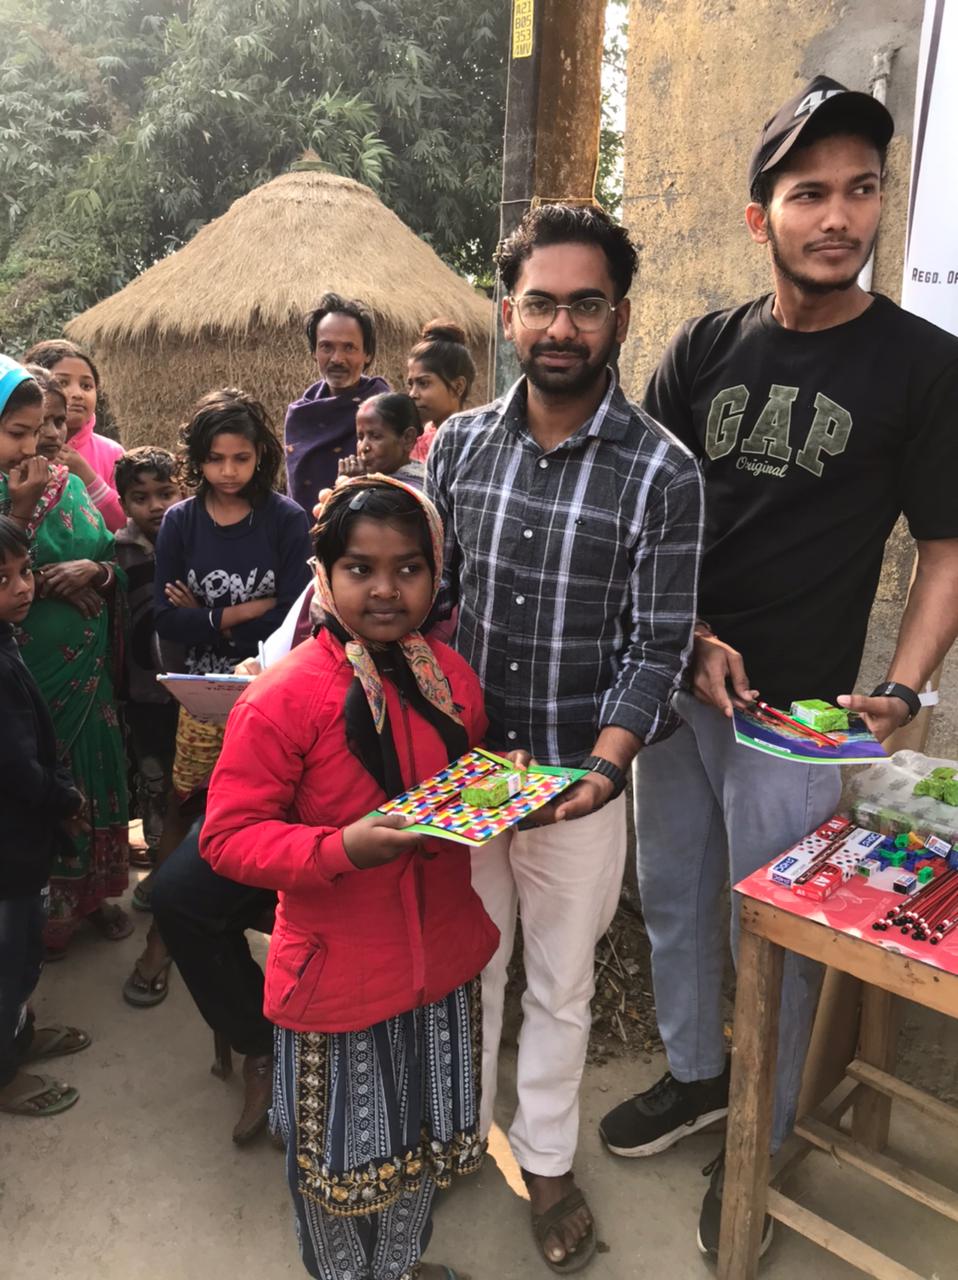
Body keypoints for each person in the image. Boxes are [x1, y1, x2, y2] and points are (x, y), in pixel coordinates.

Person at [599, 77, 958, 1259]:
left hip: (797, 716)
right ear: (763, 214)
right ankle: (697, 1074)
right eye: (809, 192)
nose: (837, 215)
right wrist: (690, 634)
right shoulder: (705, 345)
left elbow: (946, 546)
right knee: (673, 894)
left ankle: (766, 1125)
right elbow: (643, 512)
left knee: (779, 931)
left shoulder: (922, 365)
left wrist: (902, 687)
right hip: (676, 686)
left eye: (860, 189)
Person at [427, 203, 704, 1272]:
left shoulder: (662, 471)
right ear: (507, 314)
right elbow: (435, 601)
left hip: (578, 779)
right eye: (539, 303)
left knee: (561, 982)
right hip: (465, 773)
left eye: (585, 305)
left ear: (620, 317)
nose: (560, 326)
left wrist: (603, 768)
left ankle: (545, 1157)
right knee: (468, 965)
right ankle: (458, 1131)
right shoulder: (458, 445)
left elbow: (658, 642)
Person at [200, 475, 498, 1280]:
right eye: (361, 568)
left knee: (419, 1154)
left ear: (436, 575)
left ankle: (396, 1269)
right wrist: (340, 850)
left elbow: (466, 780)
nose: (386, 589)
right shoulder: (285, 697)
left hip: (442, 967)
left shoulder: (448, 678)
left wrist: (509, 790)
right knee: (336, 1176)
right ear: (325, 576)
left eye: (409, 568)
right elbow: (228, 838)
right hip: (338, 984)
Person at [147, 390, 311, 1026]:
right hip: (202, 694)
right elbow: (165, 619)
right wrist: (240, 613)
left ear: (261, 455)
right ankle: (168, 927)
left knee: (263, 812)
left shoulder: (286, 521)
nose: (228, 471)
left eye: (241, 458)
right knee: (190, 803)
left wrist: (208, 615)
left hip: (272, 693)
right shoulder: (181, 522)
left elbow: (295, 618)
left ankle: (268, 928)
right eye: (215, 459)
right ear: (198, 459)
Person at [0, 355, 131, 956]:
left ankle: (91, 897)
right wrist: (23, 516)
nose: (46, 439)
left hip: (88, 673)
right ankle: (43, 910)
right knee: (31, 780)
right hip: (25, 677)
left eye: (53, 424)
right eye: (26, 429)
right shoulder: (17, 491)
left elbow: (114, 559)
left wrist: (94, 574)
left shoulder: (71, 484)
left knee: (93, 773)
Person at [0, 514, 93, 1117]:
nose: (22, 587)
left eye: (25, 571)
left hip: (19, 838)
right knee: (10, 960)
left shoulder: (6, 639)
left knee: (20, 954)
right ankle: (4, 1076)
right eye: (2, 578)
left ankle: (20, 1034)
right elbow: (15, 764)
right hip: (8, 850)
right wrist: (65, 801)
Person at [112, 446, 183, 1005]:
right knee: (154, 781)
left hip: (189, 691)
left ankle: (176, 874)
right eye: (141, 497)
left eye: (166, 493)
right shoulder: (117, 550)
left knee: (187, 785)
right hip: (141, 692)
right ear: (123, 503)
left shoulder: (192, 540)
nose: (155, 506)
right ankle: (160, 870)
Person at [284, 293, 390, 515]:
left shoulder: (388, 413)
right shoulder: (300, 417)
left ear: (367, 354)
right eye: (326, 347)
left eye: (349, 347)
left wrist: (361, 485)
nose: (337, 359)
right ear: (314, 352)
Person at [23, 339, 126, 532]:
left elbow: (128, 523)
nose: (78, 394)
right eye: (63, 382)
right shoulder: (16, 451)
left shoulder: (113, 453)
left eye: (86, 386)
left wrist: (90, 479)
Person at [406, 319, 477, 460]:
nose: (413, 394)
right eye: (411, 385)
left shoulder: (474, 446)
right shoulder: (412, 443)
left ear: (458, 386)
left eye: (423, 383)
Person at [338, 392, 426, 488]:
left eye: (375, 436)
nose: (363, 447)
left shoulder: (413, 488)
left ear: (408, 438)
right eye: (360, 438)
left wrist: (355, 486)